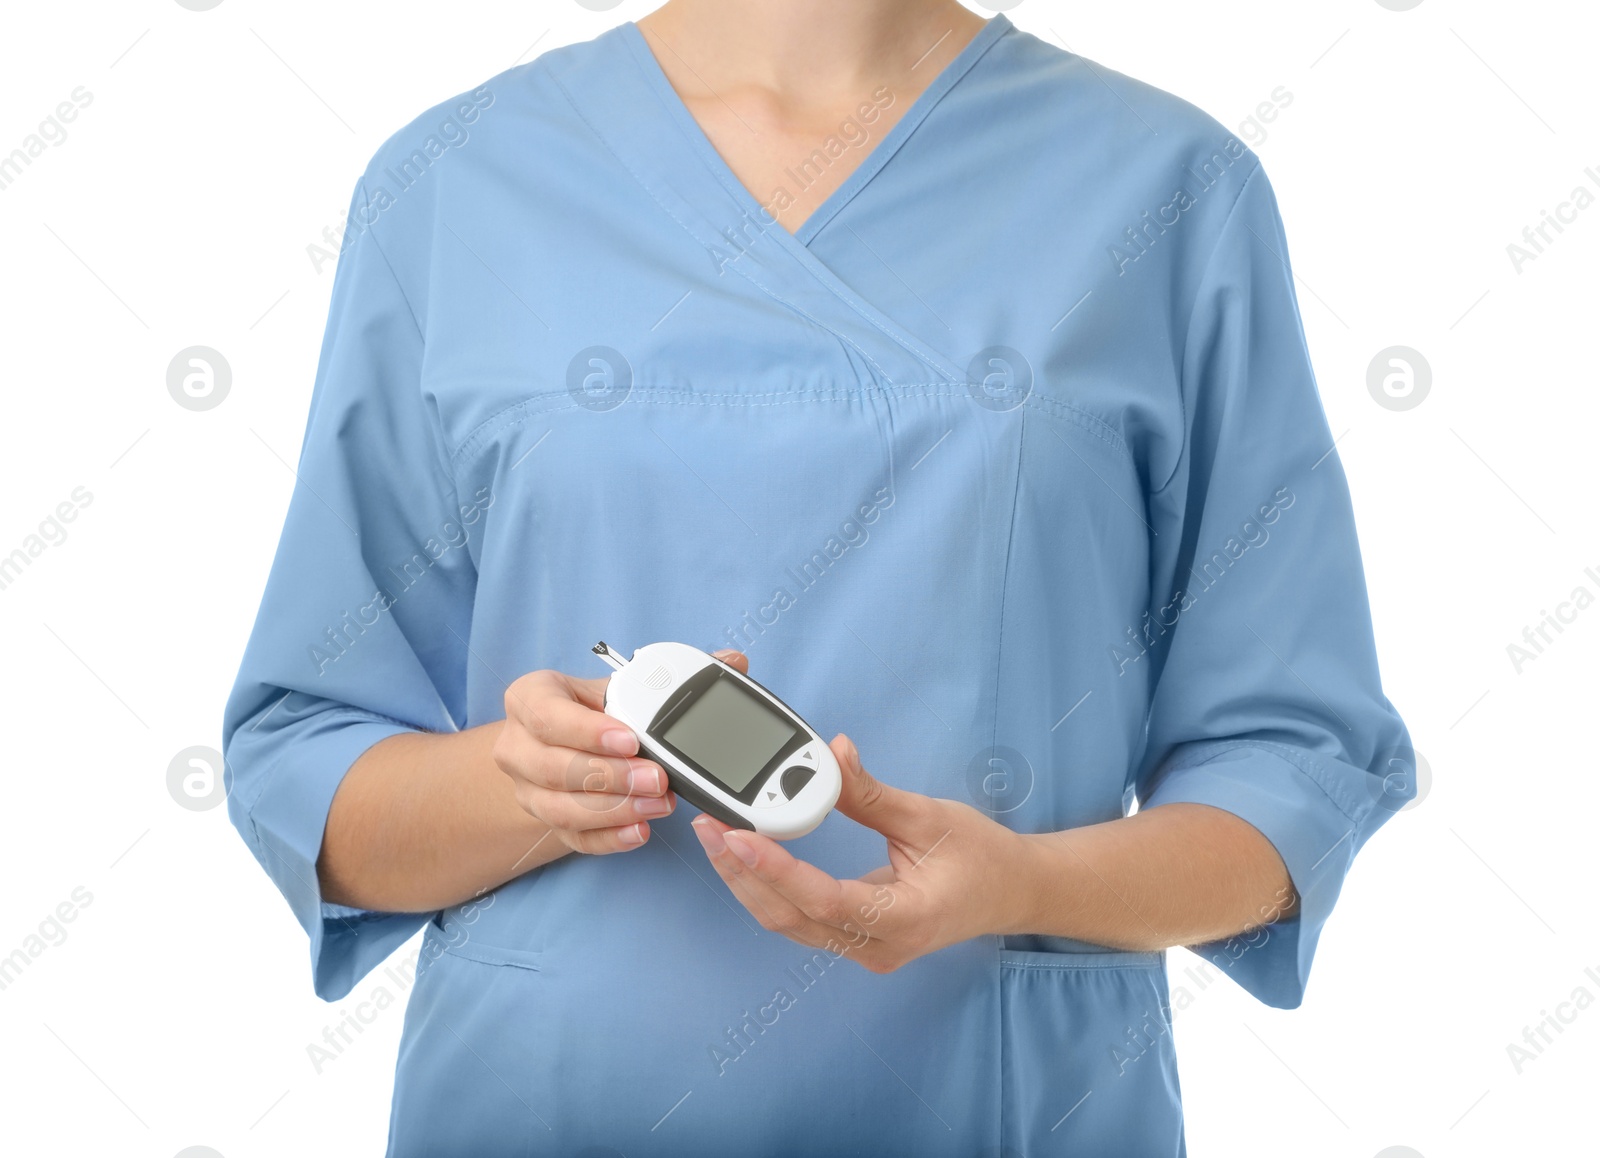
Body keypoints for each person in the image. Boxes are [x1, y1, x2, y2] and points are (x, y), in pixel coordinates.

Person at [221, 1, 1415, 1153]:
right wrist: (523, 782)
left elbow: (1293, 769)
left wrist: (1023, 884)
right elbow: (306, 766)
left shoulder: (1169, 189)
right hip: (545, 1108)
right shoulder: (451, 185)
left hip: (993, 1109)